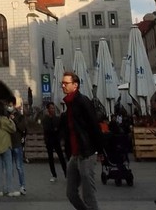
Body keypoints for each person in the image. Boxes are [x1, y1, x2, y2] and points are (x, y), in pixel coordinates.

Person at [60, 71, 102, 210]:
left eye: (66, 83)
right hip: (75, 153)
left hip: (86, 152)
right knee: (71, 193)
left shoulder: (82, 101)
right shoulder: (69, 105)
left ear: (75, 85)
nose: (63, 86)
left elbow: (94, 126)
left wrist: (99, 149)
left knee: (88, 193)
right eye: (62, 83)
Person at [7, 96, 27, 194]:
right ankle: (10, 187)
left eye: (10, 105)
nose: (9, 107)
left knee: (19, 166)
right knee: (9, 167)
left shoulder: (20, 116)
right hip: (8, 144)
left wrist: (14, 119)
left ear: (14, 106)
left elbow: (22, 128)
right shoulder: (5, 116)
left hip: (17, 144)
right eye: (8, 106)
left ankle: (22, 186)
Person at [42, 102, 67, 182]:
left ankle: (66, 173)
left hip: (56, 140)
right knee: (51, 158)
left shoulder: (57, 118)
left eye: (53, 108)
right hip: (49, 140)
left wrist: (58, 135)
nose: (52, 110)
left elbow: (60, 129)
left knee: (61, 157)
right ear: (48, 109)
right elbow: (47, 129)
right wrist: (54, 130)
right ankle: (54, 175)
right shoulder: (45, 119)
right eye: (51, 108)